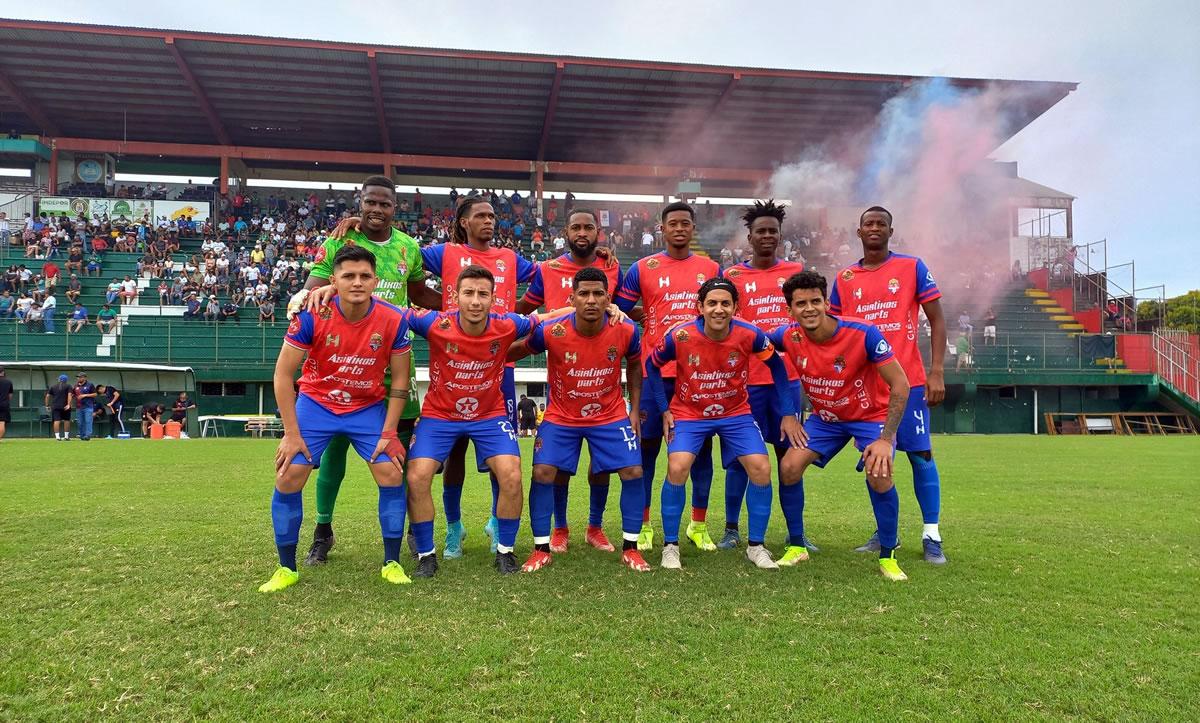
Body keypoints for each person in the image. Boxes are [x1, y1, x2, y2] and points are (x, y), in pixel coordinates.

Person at [297, 175, 438, 567]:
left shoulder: (409, 248)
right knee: (333, 452)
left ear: (396, 208)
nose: (376, 210)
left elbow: (419, 294)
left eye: (385, 204)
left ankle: (413, 530)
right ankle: (323, 531)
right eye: (370, 202)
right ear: (360, 204)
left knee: (398, 454)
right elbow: (310, 290)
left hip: (392, 361)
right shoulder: (339, 242)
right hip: (340, 363)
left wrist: (456, 309)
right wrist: (317, 290)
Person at [259, 244, 413, 593]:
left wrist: (389, 431)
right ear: (335, 280)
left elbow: (400, 379)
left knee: (390, 471)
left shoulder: (392, 319)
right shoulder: (312, 314)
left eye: (364, 276)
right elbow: (283, 376)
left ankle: (391, 562)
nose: (357, 282)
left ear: (375, 281)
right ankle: (287, 568)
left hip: (366, 406)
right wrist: (291, 434)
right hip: (316, 404)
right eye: (348, 276)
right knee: (289, 474)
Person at [645, 278, 801, 570]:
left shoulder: (751, 335)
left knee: (761, 467)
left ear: (735, 307)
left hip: (735, 414)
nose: (719, 309)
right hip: (689, 413)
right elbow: (651, 366)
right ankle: (670, 547)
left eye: (725, 303)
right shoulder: (679, 336)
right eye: (712, 303)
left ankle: (756, 546)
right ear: (700, 307)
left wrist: (789, 412)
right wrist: (664, 409)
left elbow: (778, 367)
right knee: (677, 466)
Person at [403, 266, 549, 577]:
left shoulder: (507, 324)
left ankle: (505, 552)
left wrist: (608, 307)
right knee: (417, 476)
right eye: (468, 293)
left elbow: (548, 318)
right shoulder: (434, 322)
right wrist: (330, 291)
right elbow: (387, 312)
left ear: (494, 299)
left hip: (488, 415)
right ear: (455, 297)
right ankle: (426, 556)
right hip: (439, 416)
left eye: (483, 294)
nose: (475, 300)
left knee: (511, 474)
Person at [770, 271, 912, 581]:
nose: (809, 309)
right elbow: (759, 349)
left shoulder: (864, 334)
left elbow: (901, 384)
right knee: (789, 467)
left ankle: (888, 553)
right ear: (790, 309)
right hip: (826, 419)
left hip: (869, 417)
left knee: (879, 472)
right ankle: (797, 546)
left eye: (815, 301)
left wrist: (886, 439)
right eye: (801, 303)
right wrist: (788, 412)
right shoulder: (787, 336)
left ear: (826, 303)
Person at [508, 266, 649, 572]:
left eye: (598, 293)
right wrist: (485, 352)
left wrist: (634, 410)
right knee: (545, 471)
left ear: (608, 298)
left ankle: (629, 546)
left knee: (633, 470)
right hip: (562, 415)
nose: (591, 300)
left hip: (609, 415)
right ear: (572, 298)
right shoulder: (553, 330)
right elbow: (517, 350)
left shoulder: (625, 330)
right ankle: (544, 545)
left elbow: (636, 367)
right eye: (583, 293)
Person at [829, 207, 948, 564]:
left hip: (908, 381)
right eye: (869, 224)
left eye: (881, 223)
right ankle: (886, 532)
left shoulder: (912, 267)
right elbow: (836, 334)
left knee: (921, 454)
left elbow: (938, 320)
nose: (875, 228)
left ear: (891, 231)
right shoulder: (845, 277)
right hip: (866, 386)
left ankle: (932, 534)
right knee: (877, 460)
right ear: (859, 231)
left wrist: (937, 370)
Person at [516, 208, 623, 552]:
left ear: (598, 232)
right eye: (575, 226)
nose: (582, 232)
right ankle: (559, 528)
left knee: (601, 464)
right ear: (565, 231)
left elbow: (619, 310)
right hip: (564, 379)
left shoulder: (612, 267)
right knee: (559, 466)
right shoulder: (547, 269)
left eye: (588, 227)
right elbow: (522, 311)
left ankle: (595, 526)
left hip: (603, 378)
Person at [616, 201, 720, 552]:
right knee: (647, 450)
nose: (679, 228)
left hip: (699, 373)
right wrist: (647, 317)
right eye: (672, 223)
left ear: (693, 229)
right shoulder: (643, 267)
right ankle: (644, 525)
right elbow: (620, 304)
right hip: (653, 372)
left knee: (701, 451)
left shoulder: (710, 267)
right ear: (662, 229)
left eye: (685, 223)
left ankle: (698, 524)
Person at [718, 200, 812, 552]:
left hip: (785, 383)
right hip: (742, 385)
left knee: (790, 460)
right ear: (750, 237)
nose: (768, 236)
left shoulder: (796, 271)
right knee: (740, 462)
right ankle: (731, 529)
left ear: (780, 235)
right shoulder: (732, 277)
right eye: (761, 231)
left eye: (773, 230)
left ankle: (797, 535)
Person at [46, 374, 74, 440]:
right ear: (66, 380)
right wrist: (69, 404)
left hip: (55, 406)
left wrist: (47, 405)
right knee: (66, 420)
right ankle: (66, 437)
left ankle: (57, 437)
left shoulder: (53, 386)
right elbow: (69, 395)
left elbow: (47, 396)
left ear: (59, 379)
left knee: (56, 420)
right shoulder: (69, 386)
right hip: (65, 406)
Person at [72, 372, 98, 441]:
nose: (78, 378)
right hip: (79, 407)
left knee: (88, 421)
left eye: (80, 377)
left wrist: (85, 395)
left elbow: (95, 394)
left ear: (84, 378)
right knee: (80, 422)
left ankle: (88, 435)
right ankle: (82, 435)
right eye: (77, 377)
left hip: (88, 406)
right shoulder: (76, 386)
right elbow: (72, 394)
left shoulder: (90, 385)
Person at [0, 366, 12, 441]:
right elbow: (10, 395)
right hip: (4, 404)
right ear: (3, 372)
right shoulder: (8, 382)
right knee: (1, 422)